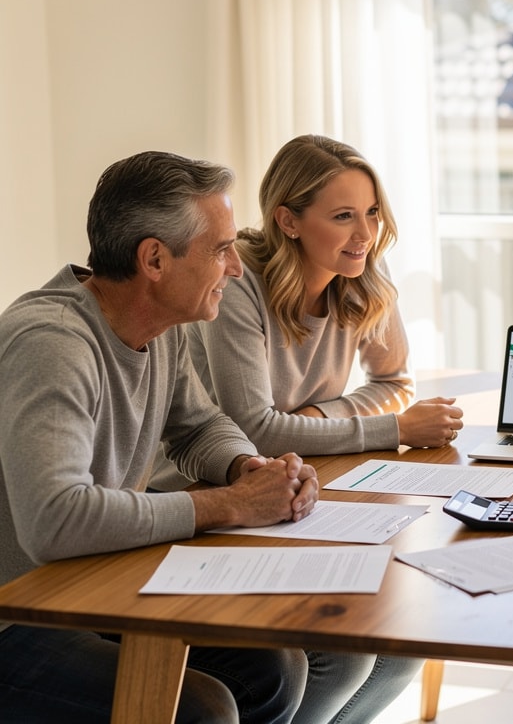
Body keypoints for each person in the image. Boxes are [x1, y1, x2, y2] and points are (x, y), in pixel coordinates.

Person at [0, 151, 412, 723]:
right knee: (206, 707)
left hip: (89, 582)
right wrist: (226, 504)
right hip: (19, 611)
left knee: (277, 668)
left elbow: (199, 426)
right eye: (221, 251)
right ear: (154, 260)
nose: (237, 268)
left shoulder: (159, 327)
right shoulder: (53, 342)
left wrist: (248, 468)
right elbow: (57, 521)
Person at [147, 134, 462, 715]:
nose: (364, 234)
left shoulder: (363, 269)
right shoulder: (238, 281)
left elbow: (395, 384)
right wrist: (391, 430)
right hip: (217, 492)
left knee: (398, 642)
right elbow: (256, 430)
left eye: (371, 213)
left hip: (310, 479)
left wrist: (320, 417)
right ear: (288, 221)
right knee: (341, 655)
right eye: (342, 216)